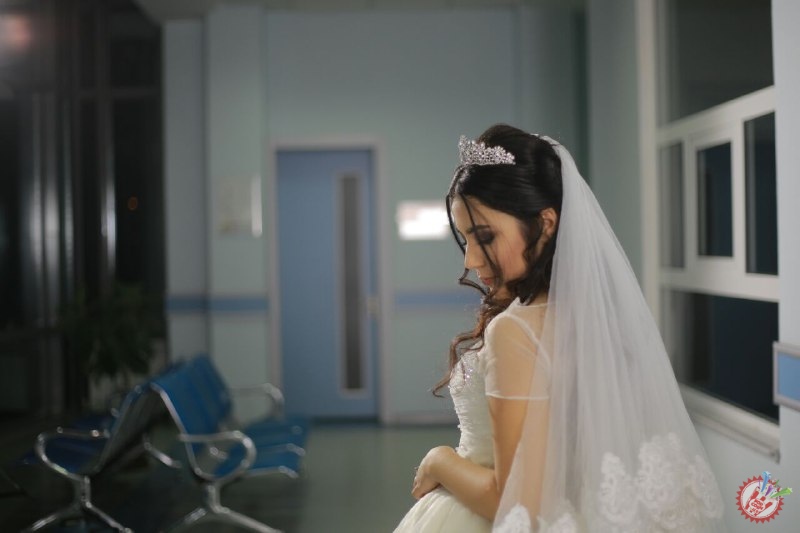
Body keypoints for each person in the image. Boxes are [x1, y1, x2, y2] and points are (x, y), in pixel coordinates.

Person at [394, 125, 727, 532]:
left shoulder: (515, 331)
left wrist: (439, 460)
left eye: (485, 237)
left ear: (546, 223)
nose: (471, 260)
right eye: (466, 241)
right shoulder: (595, 318)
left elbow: (514, 502)